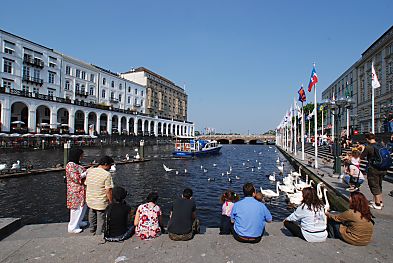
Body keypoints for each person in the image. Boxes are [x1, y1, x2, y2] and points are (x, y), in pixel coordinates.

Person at [85, 156, 114, 235]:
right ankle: (99, 234)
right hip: (100, 201)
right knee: (101, 218)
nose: (110, 167)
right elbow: (108, 190)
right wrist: (111, 201)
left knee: (92, 213)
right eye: (110, 165)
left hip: (90, 199)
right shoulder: (107, 174)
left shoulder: (90, 171)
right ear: (105, 164)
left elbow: (86, 184)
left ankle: (92, 229)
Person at [360, 133, 387, 209]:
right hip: (382, 168)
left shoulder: (368, 147)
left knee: (374, 185)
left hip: (373, 168)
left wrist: (362, 149)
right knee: (379, 184)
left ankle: (377, 204)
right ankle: (379, 201)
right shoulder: (381, 145)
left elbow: (361, 157)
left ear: (367, 139)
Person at [65, 148, 88, 233]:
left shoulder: (76, 164)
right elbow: (75, 177)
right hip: (75, 191)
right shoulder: (70, 165)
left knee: (82, 207)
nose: (82, 156)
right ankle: (72, 227)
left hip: (81, 189)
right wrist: (86, 173)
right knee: (76, 208)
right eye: (81, 155)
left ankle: (78, 222)